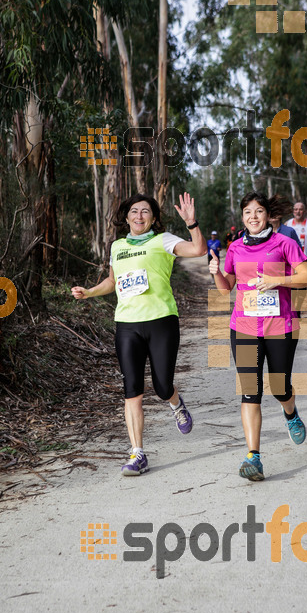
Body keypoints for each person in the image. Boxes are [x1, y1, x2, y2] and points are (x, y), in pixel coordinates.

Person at [72, 192, 207, 476]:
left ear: (154, 218)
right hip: (127, 324)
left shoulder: (164, 240)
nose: (139, 216)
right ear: (126, 217)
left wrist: (192, 224)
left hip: (161, 321)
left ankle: (175, 403)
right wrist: (90, 292)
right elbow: (112, 280)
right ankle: (137, 453)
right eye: (134, 211)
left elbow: (197, 251)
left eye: (145, 212)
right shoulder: (118, 246)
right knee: (132, 390)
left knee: (162, 386)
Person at [209, 192, 307, 482]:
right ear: (242, 217)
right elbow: (225, 288)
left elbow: (306, 276)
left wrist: (277, 280)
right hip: (243, 327)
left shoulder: (285, 243)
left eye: (258, 212)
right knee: (249, 392)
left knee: (280, 387)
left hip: (281, 325)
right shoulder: (235, 248)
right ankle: (253, 457)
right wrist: (216, 272)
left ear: (268, 215)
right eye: (247, 213)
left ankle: (290, 413)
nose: (253, 217)